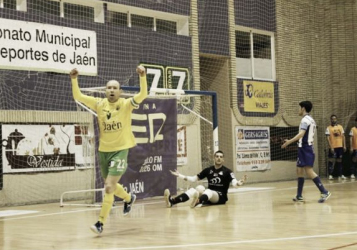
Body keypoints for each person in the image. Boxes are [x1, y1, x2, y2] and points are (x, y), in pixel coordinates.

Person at [70, 65, 148, 235]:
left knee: (108, 187)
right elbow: (78, 96)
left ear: (120, 91)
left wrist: (143, 76)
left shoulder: (126, 104)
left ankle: (100, 223)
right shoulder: (99, 104)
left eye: (115, 88)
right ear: (105, 91)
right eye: (109, 87)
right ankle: (129, 198)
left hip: (120, 150)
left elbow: (143, 95)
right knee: (110, 186)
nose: (112, 90)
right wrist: (74, 79)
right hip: (103, 150)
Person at [282, 101, 331, 203]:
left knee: (309, 171)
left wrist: (289, 142)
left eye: (299, 108)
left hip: (306, 148)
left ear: (303, 108)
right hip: (303, 148)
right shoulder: (310, 119)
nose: (298, 110)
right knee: (299, 170)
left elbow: (301, 134)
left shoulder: (305, 120)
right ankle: (299, 195)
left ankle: (324, 191)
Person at [164, 150, 247, 208]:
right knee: (196, 189)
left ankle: (197, 202)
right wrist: (180, 175)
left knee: (208, 191)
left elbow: (234, 183)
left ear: (223, 160)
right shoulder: (208, 170)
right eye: (217, 156)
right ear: (214, 158)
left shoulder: (227, 171)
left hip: (220, 197)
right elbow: (193, 179)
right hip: (208, 196)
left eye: (221, 157)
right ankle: (172, 201)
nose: (219, 158)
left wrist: (239, 183)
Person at [325, 114, 347, 180]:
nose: (333, 120)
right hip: (333, 147)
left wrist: (344, 145)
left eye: (335, 119)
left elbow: (343, 137)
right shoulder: (328, 128)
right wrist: (331, 147)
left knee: (339, 160)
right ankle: (330, 175)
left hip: (340, 146)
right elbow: (328, 138)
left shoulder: (340, 127)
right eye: (332, 119)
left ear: (336, 119)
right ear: (331, 120)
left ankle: (340, 174)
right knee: (331, 160)